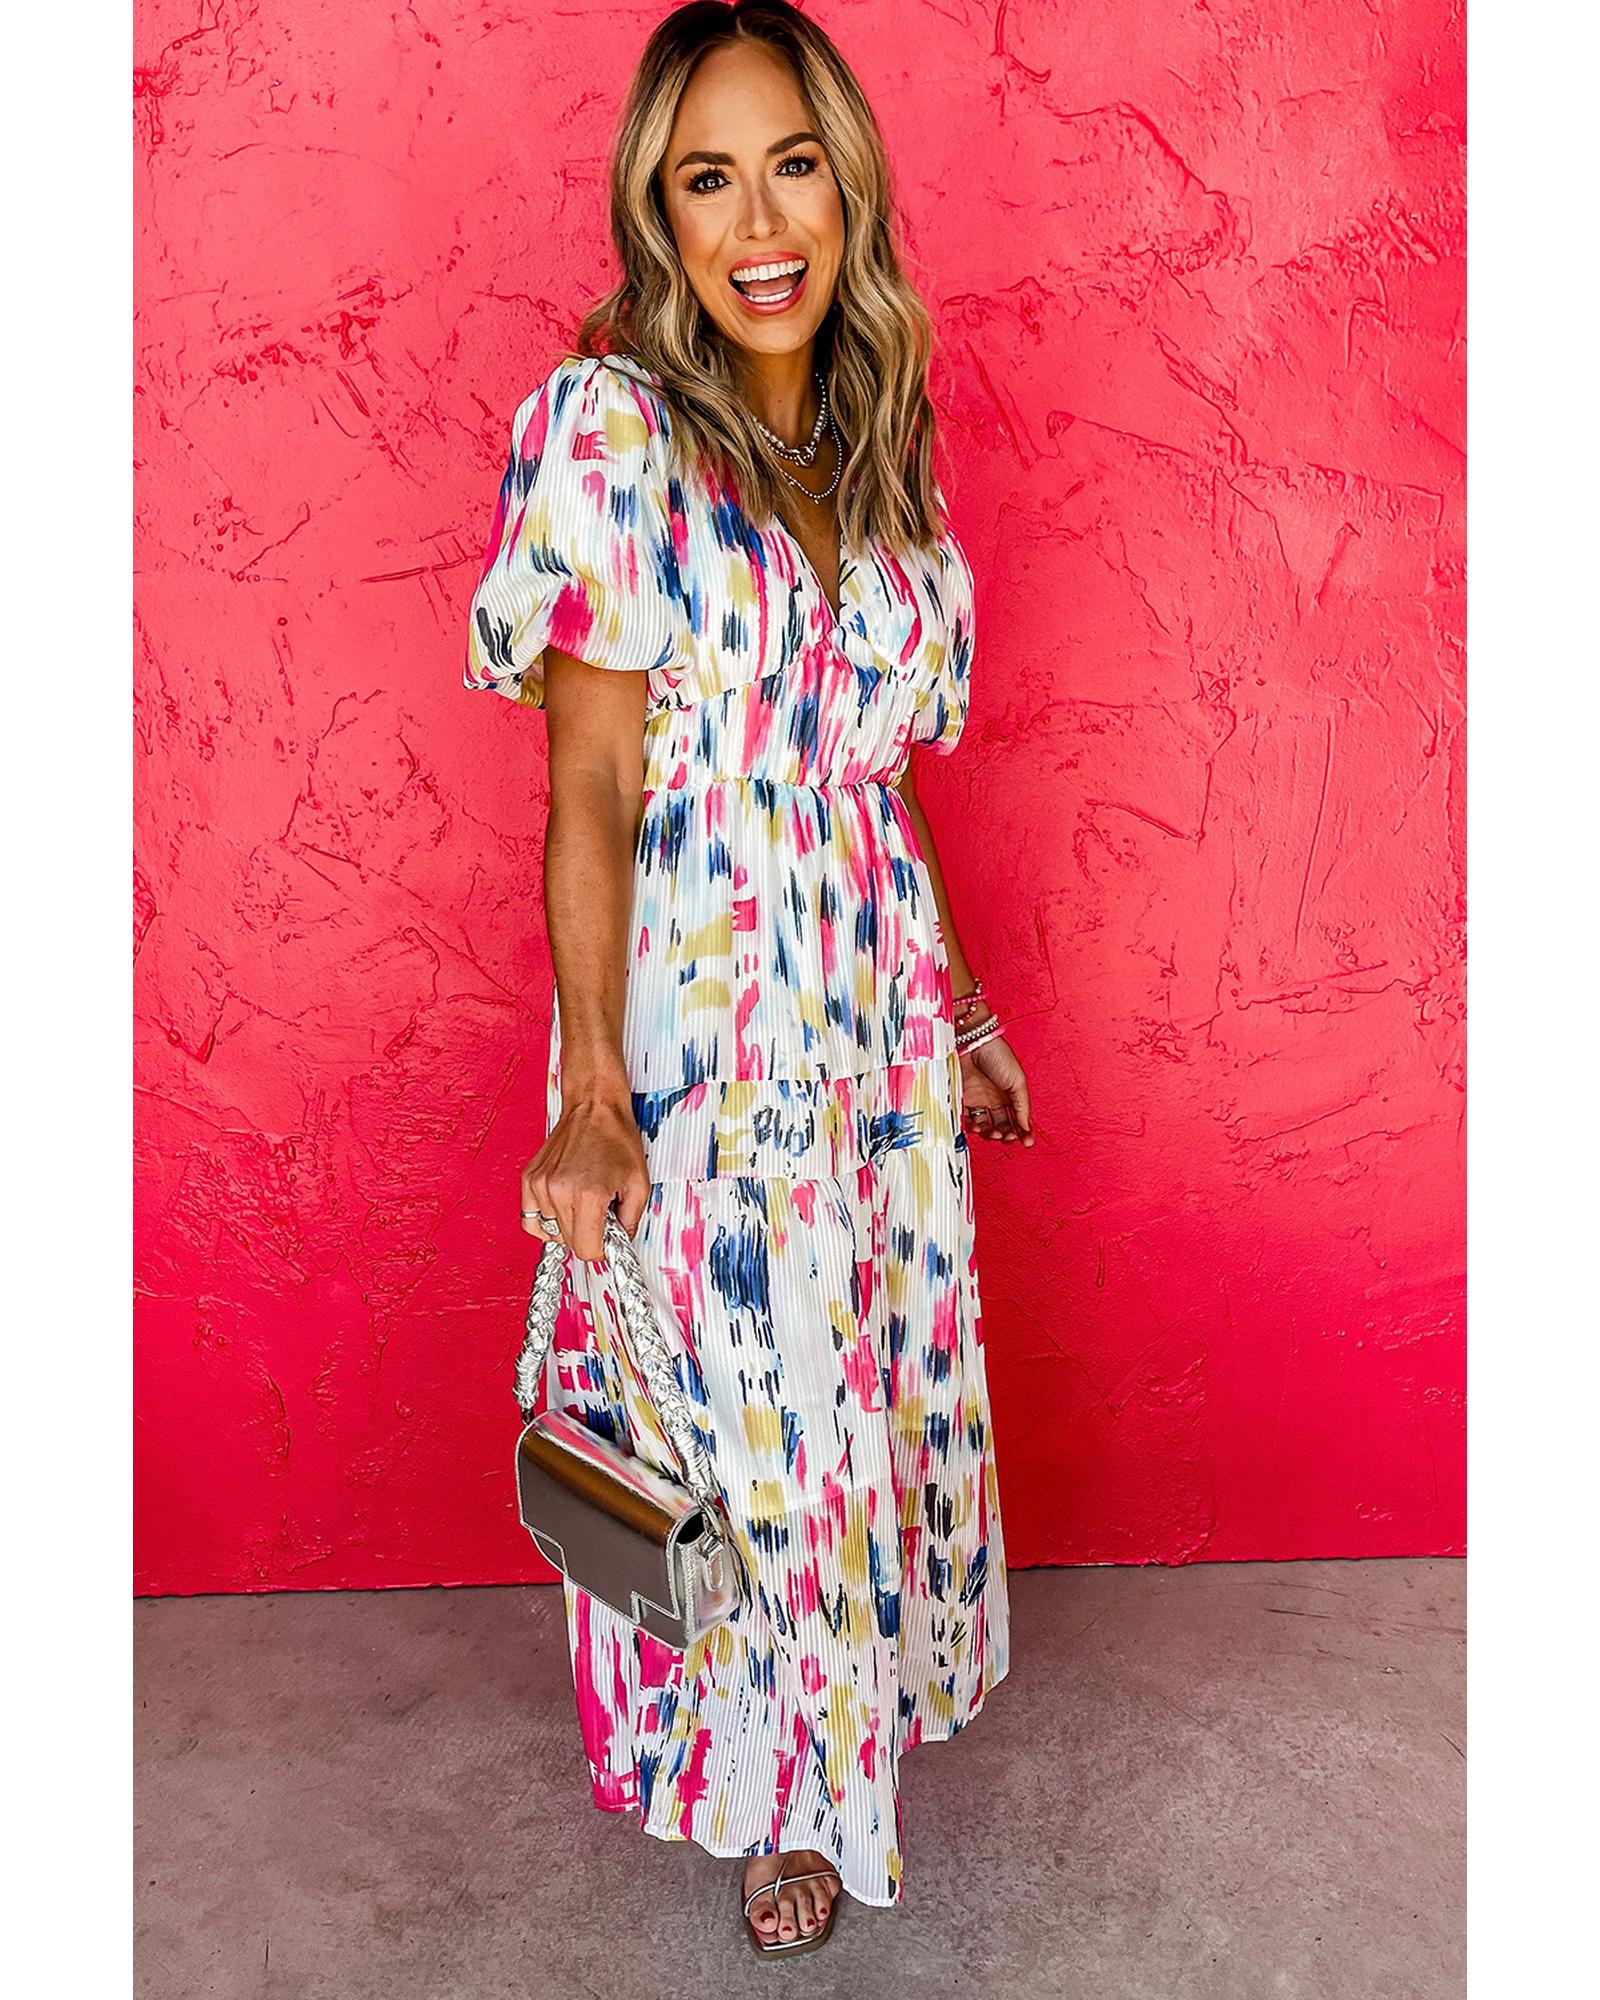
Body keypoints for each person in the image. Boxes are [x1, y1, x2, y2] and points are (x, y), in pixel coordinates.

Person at [463, 0, 1032, 1958]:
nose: (759, 222)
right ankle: (782, 1800)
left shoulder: (869, 433)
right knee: (746, 1415)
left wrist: (961, 1008)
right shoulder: (609, 432)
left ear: (845, 183)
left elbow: (874, 767)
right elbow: (593, 780)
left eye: (791, 165)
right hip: (709, 1016)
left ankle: (839, 1744)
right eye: (707, 179)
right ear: (661, 214)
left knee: (854, 1384)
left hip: (872, 1006)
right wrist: (593, 1091)